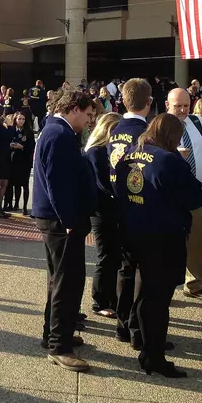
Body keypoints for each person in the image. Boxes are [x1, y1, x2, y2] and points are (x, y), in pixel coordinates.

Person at [116, 114, 202, 378]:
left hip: (134, 231)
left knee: (145, 291)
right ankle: (154, 356)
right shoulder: (170, 161)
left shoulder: (131, 154)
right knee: (158, 299)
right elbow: (194, 197)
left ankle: (144, 340)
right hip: (163, 237)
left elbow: (120, 189)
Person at [32, 88, 97, 371]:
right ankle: (60, 345)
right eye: (87, 114)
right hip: (61, 221)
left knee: (59, 279)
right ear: (73, 109)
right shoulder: (58, 135)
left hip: (58, 219)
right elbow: (57, 184)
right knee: (67, 282)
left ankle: (55, 333)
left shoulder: (57, 132)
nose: (89, 121)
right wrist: (70, 220)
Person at [109, 78, 153, 348]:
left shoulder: (113, 129)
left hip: (119, 205)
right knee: (143, 273)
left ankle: (121, 324)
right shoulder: (149, 132)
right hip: (142, 208)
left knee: (125, 270)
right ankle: (138, 328)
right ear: (148, 102)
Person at [165, 87, 202, 302]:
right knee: (170, 240)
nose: (182, 110)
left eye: (186, 105)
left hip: (195, 190)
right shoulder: (161, 125)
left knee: (196, 239)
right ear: (168, 105)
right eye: (178, 106)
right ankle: (166, 284)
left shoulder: (197, 121)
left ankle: (195, 284)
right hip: (170, 193)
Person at [84, 112, 122, 318]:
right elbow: (103, 183)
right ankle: (99, 301)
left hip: (110, 208)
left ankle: (111, 297)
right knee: (106, 255)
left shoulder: (105, 150)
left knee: (114, 255)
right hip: (101, 209)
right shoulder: (96, 151)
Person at [7, 111, 35, 214]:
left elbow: (32, 146)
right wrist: (10, 145)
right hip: (13, 160)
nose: (21, 121)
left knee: (25, 184)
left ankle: (24, 207)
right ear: (15, 119)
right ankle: (15, 204)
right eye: (19, 119)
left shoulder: (29, 132)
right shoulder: (11, 130)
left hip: (25, 161)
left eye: (23, 119)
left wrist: (22, 147)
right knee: (15, 184)